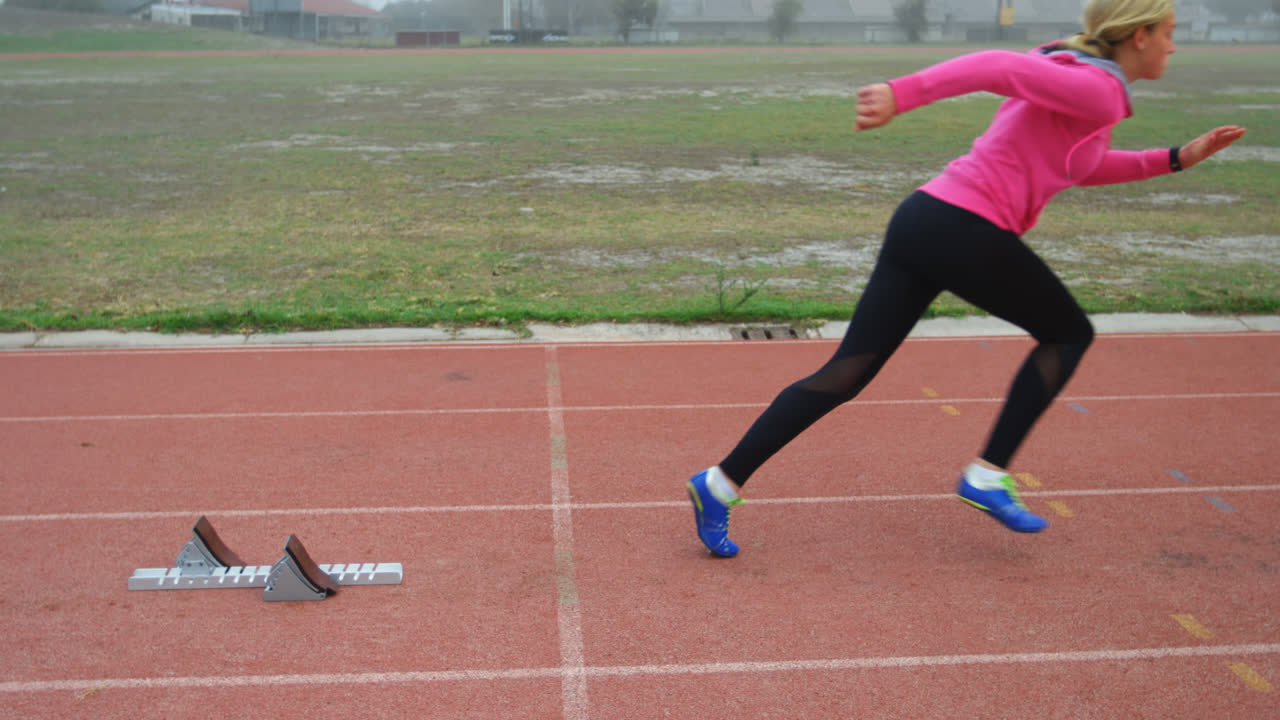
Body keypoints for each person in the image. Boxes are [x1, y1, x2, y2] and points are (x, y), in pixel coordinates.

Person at [685, 0, 1246, 557]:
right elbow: (994, 65)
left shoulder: (1079, 75)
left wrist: (1177, 157)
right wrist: (902, 93)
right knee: (1069, 333)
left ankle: (718, 483)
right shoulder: (1096, 88)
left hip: (924, 220)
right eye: (1170, 32)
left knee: (848, 371)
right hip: (964, 227)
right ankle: (987, 475)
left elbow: (1078, 166)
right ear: (1140, 35)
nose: (1174, 45)